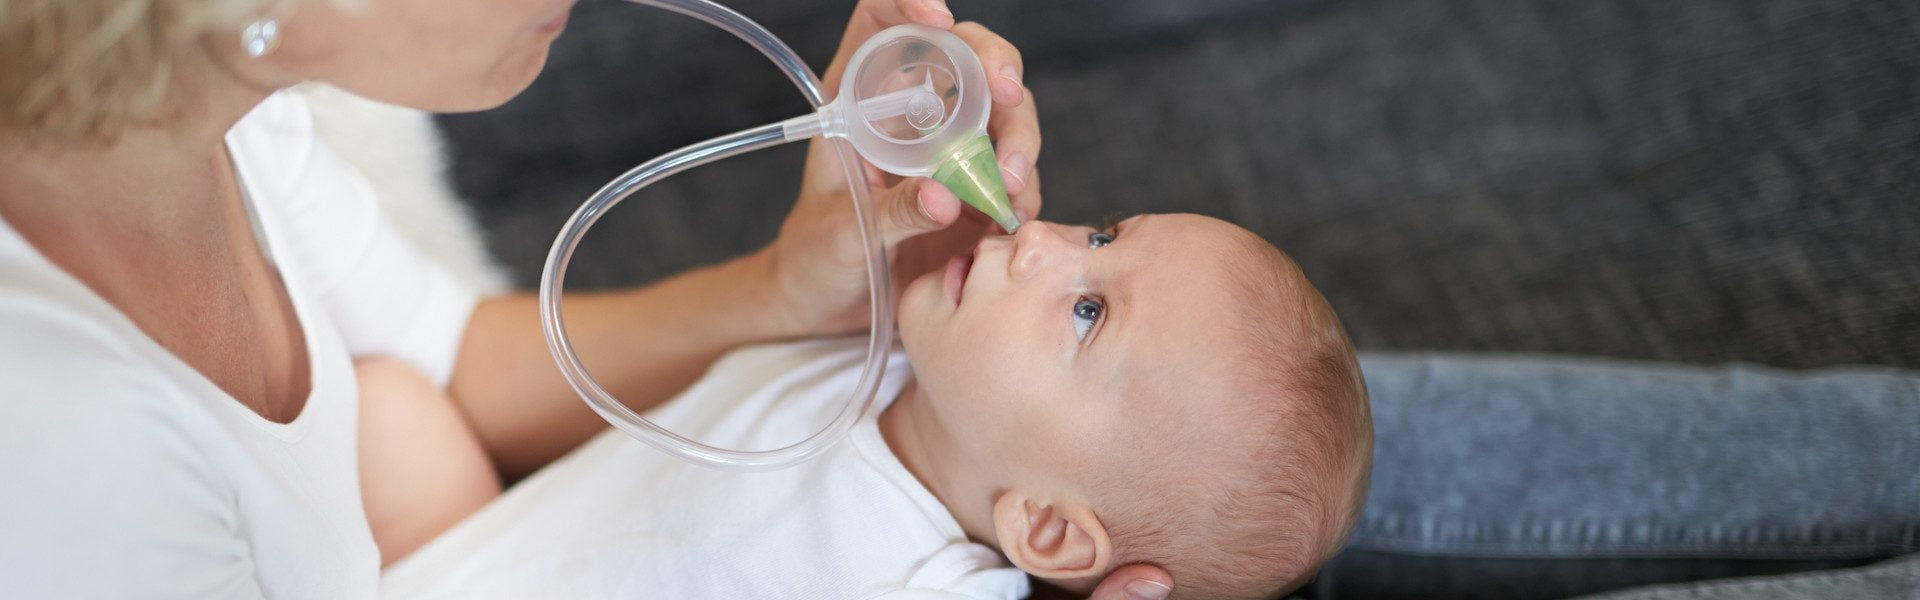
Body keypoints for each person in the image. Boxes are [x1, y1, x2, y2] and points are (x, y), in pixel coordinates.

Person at [0, 0, 1178, 597]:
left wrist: (796, 290)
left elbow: (461, 355)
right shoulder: (68, 468)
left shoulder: (219, 106)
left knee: (402, 413)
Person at [376, 214, 1371, 599]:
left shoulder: (929, 585)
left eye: (1085, 312)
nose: (1043, 243)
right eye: (1103, 237)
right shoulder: (904, 352)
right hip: (466, 556)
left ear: (1051, 530)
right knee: (389, 413)